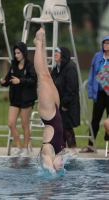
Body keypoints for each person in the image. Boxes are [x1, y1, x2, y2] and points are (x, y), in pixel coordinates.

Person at [33, 28, 72, 173]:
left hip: (49, 115)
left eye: (59, 166)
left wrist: (52, 171)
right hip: (55, 109)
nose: (61, 164)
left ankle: (37, 44)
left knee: (42, 76)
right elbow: (68, 155)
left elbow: (48, 167)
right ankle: (40, 43)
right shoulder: (59, 153)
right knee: (47, 75)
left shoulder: (48, 153)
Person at [0, 41, 37, 156]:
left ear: (24, 53)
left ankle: (25, 149)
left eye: (18, 53)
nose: (16, 55)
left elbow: (33, 80)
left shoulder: (30, 65)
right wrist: (3, 82)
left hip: (27, 99)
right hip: (15, 99)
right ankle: (19, 147)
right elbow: (8, 80)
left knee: (24, 124)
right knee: (11, 123)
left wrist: (20, 80)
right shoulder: (13, 66)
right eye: (15, 53)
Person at [79, 36, 109, 153]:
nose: (105, 45)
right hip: (99, 93)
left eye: (108, 43)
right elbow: (92, 75)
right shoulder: (97, 57)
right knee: (95, 119)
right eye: (104, 43)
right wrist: (91, 92)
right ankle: (91, 145)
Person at [51, 46, 80, 155]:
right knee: (59, 127)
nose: (55, 53)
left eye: (57, 52)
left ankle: (72, 150)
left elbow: (71, 88)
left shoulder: (69, 68)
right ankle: (61, 150)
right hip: (59, 104)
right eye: (55, 52)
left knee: (67, 126)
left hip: (68, 104)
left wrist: (65, 104)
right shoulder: (56, 69)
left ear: (63, 55)